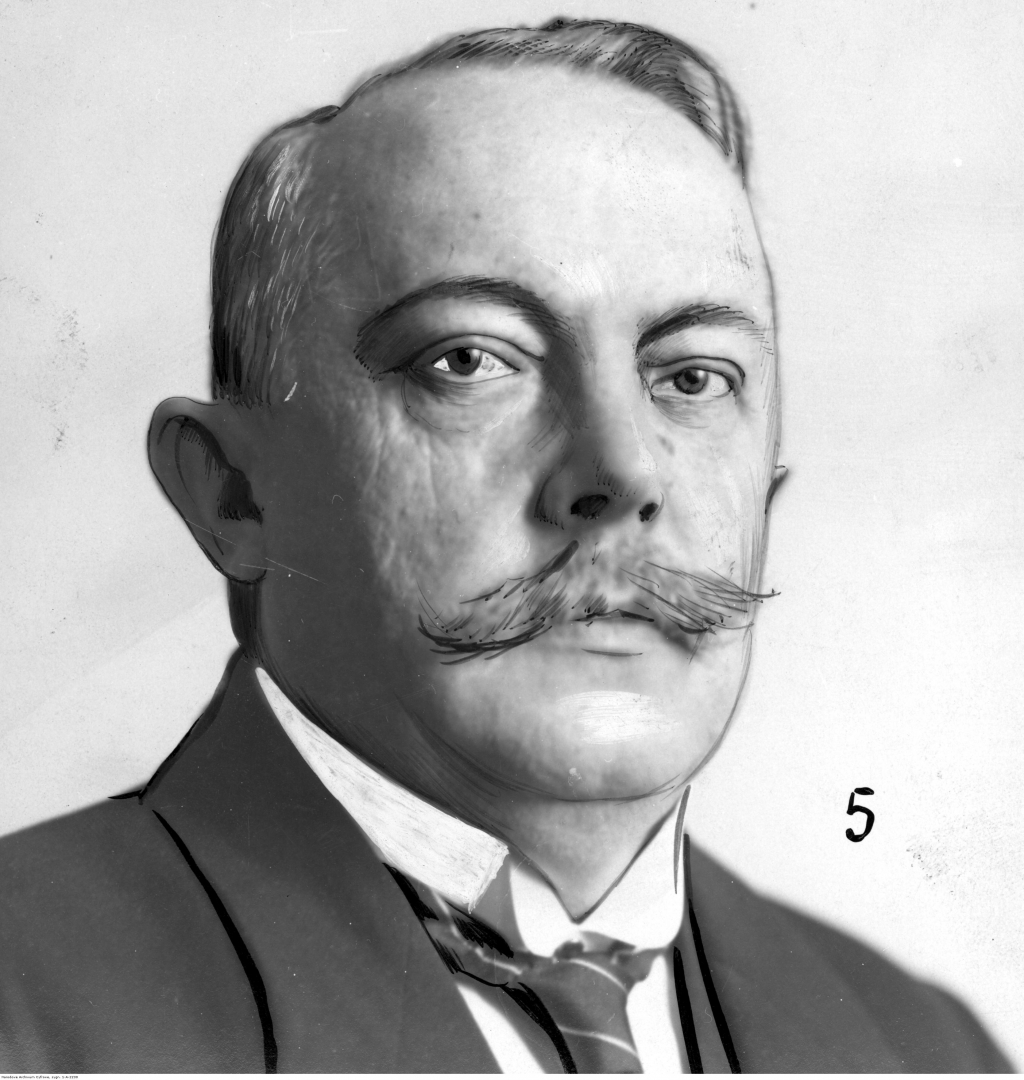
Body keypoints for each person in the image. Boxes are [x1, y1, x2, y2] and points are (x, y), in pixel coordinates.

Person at [0, 18, 1012, 1073]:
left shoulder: (929, 1050)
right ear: (234, 495)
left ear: (767, 495)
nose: (624, 473)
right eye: (470, 359)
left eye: (692, 375)